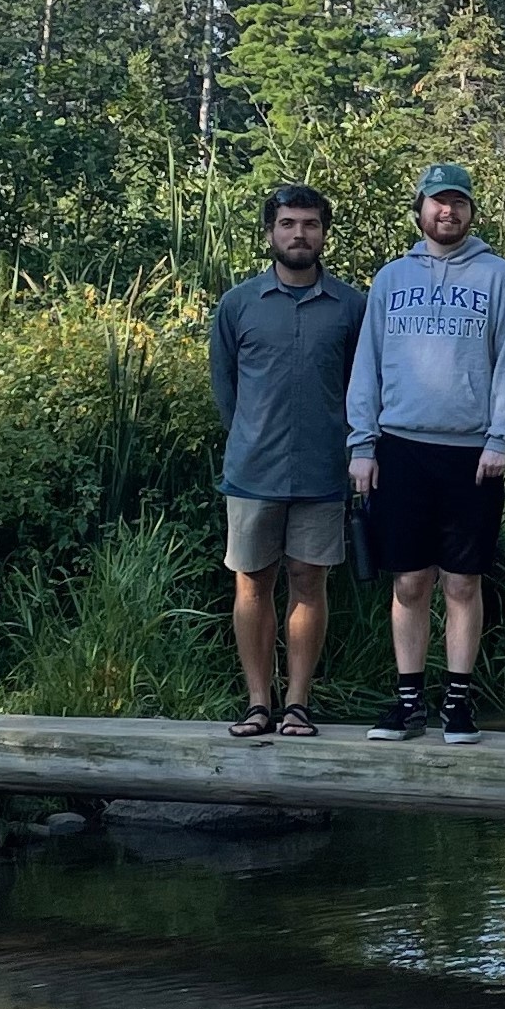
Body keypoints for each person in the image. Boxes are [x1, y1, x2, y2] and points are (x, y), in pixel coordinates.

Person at [346, 160, 505, 746]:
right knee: (409, 582)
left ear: (471, 211)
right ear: (421, 210)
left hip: (472, 453)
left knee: (463, 582)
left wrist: (501, 435)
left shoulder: (498, 276)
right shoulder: (391, 278)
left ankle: (457, 702)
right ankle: (407, 702)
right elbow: (366, 365)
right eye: (436, 202)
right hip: (400, 447)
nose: (445, 212)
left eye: (456, 202)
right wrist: (362, 444)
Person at [210, 184, 365, 740]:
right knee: (252, 583)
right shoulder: (239, 304)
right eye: (288, 224)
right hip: (253, 471)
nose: (299, 234)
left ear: (324, 233)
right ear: (270, 231)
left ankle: (298, 703)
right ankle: (257, 703)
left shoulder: (351, 306)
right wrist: (250, 436)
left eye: (310, 224)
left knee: (308, 582)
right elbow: (226, 389)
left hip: (324, 470)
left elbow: (363, 386)